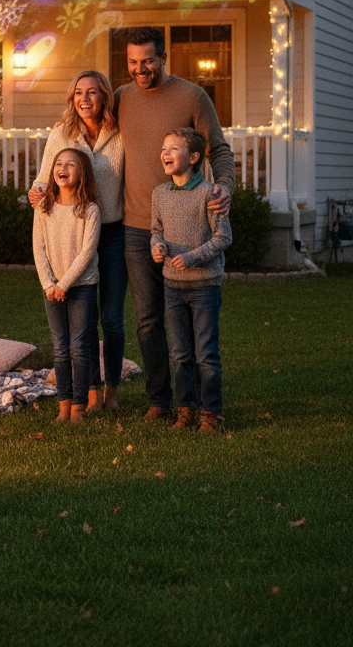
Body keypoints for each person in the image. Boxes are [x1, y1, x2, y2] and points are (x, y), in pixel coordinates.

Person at [114, 26, 234, 422]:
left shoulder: (191, 96)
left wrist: (225, 187)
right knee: (148, 320)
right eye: (132, 62)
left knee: (192, 327)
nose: (140, 69)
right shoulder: (121, 98)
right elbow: (81, 132)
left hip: (188, 228)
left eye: (147, 60)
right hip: (137, 227)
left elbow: (217, 147)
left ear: (163, 57)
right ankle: (161, 400)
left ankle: (202, 403)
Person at [29, 70, 126, 412]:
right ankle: (91, 393)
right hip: (72, 231)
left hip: (112, 232)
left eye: (93, 92)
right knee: (81, 322)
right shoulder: (61, 133)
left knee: (111, 318)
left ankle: (112, 390)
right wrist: (36, 191)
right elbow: (45, 177)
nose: (85, 99)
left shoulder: (120, 132)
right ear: (72, 99)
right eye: (78, 93)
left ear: (104, 98)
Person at [151, 128, 232, 432]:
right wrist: (156, 247)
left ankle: (211, 413)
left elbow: (223, 237)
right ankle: (185, 411)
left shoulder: (210, 194)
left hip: (204, 288)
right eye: (164, 148)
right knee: (181, 353)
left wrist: (192, 258)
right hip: (172, 286)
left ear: (194, 157)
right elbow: (156, 230)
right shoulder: (160, 194)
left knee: (206, 354)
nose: (166, 153)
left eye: (174, 148)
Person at [32, 148, 102, 423]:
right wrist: (50, 284)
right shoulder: (43, 207)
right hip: (51, 288)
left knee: (79, 347)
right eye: (58, 163)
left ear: (81, 172)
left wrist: (64, 284)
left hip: (82, 285)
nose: (63, 168)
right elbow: (38, 248)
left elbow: (87, 252)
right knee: (60, 348)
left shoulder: (90, 210)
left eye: (70, 164)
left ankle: (78, 408)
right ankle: (63, 406)